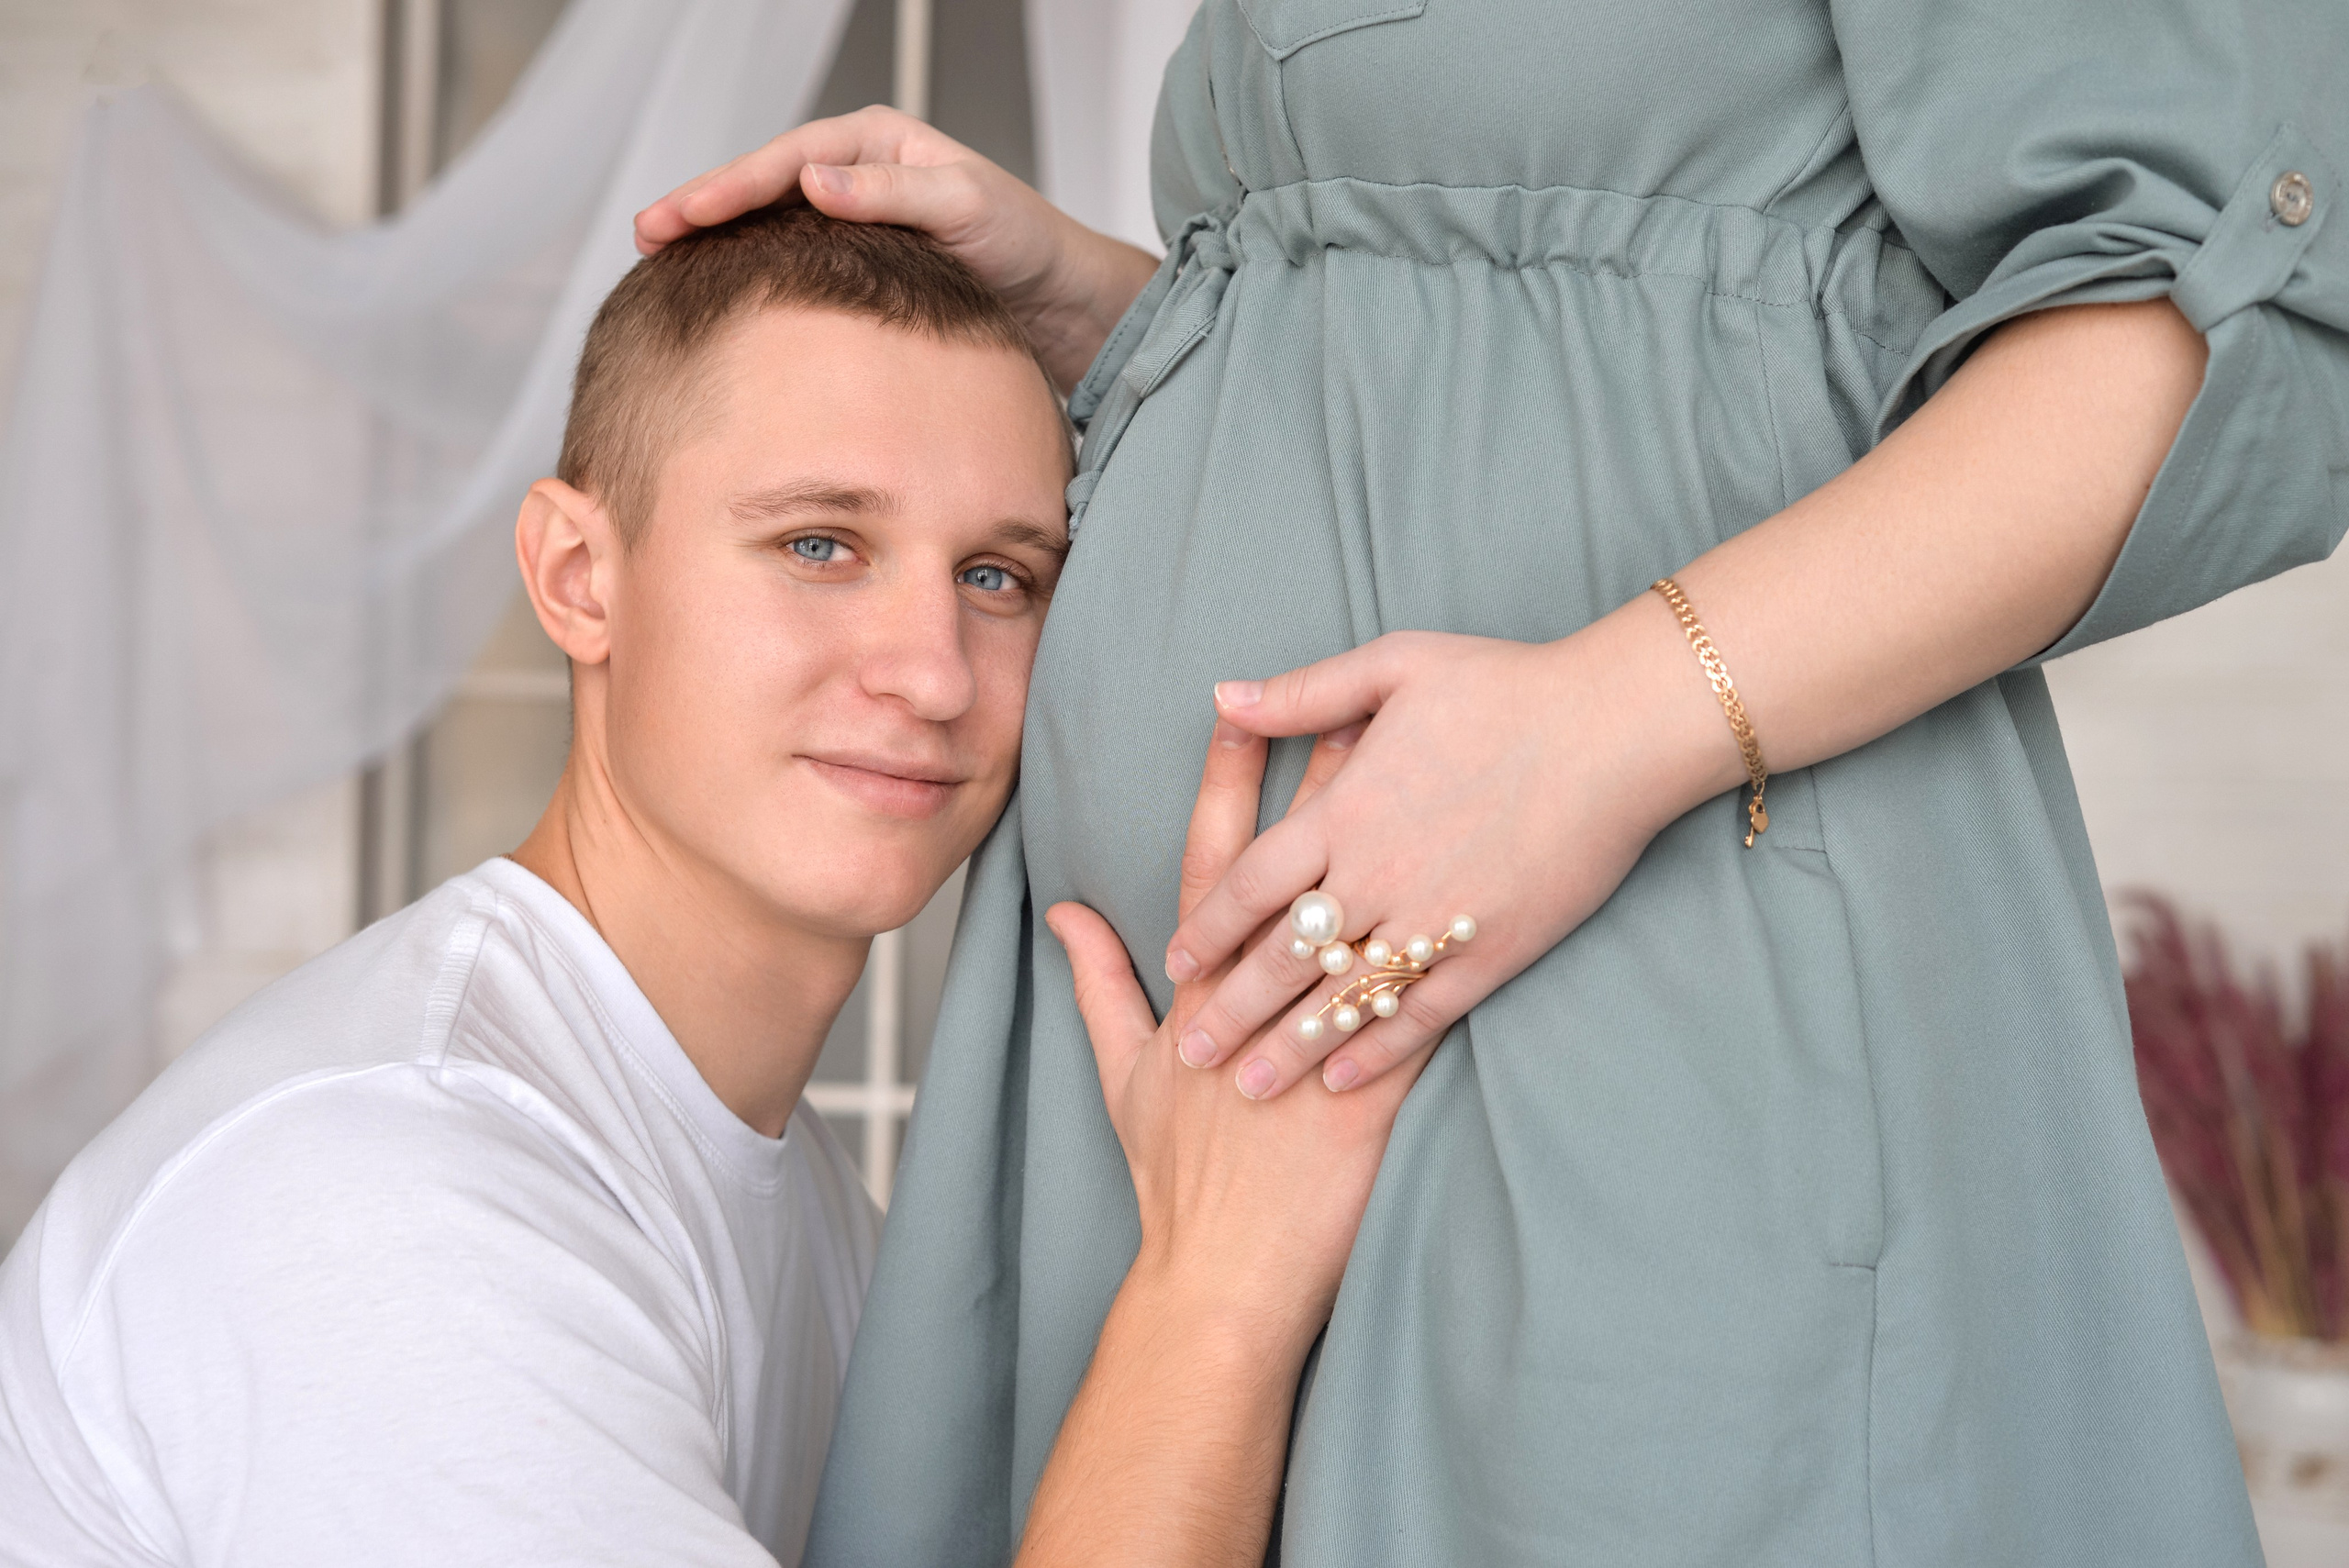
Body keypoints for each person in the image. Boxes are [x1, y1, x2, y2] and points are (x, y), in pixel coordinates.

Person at [638, 3, 2349, 1562]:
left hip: (1625, 980)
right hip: (1193, 1076)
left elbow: (2216, 315)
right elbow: (1496, 348)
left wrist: (1605, 728)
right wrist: (1127, 307)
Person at [0, 206, 1419, 1567]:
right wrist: (1219, 1288)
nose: (931, 673)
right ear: (578, 577)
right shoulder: (381, 1193)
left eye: (998, 576)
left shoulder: (814, 1217)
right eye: (820, 545)